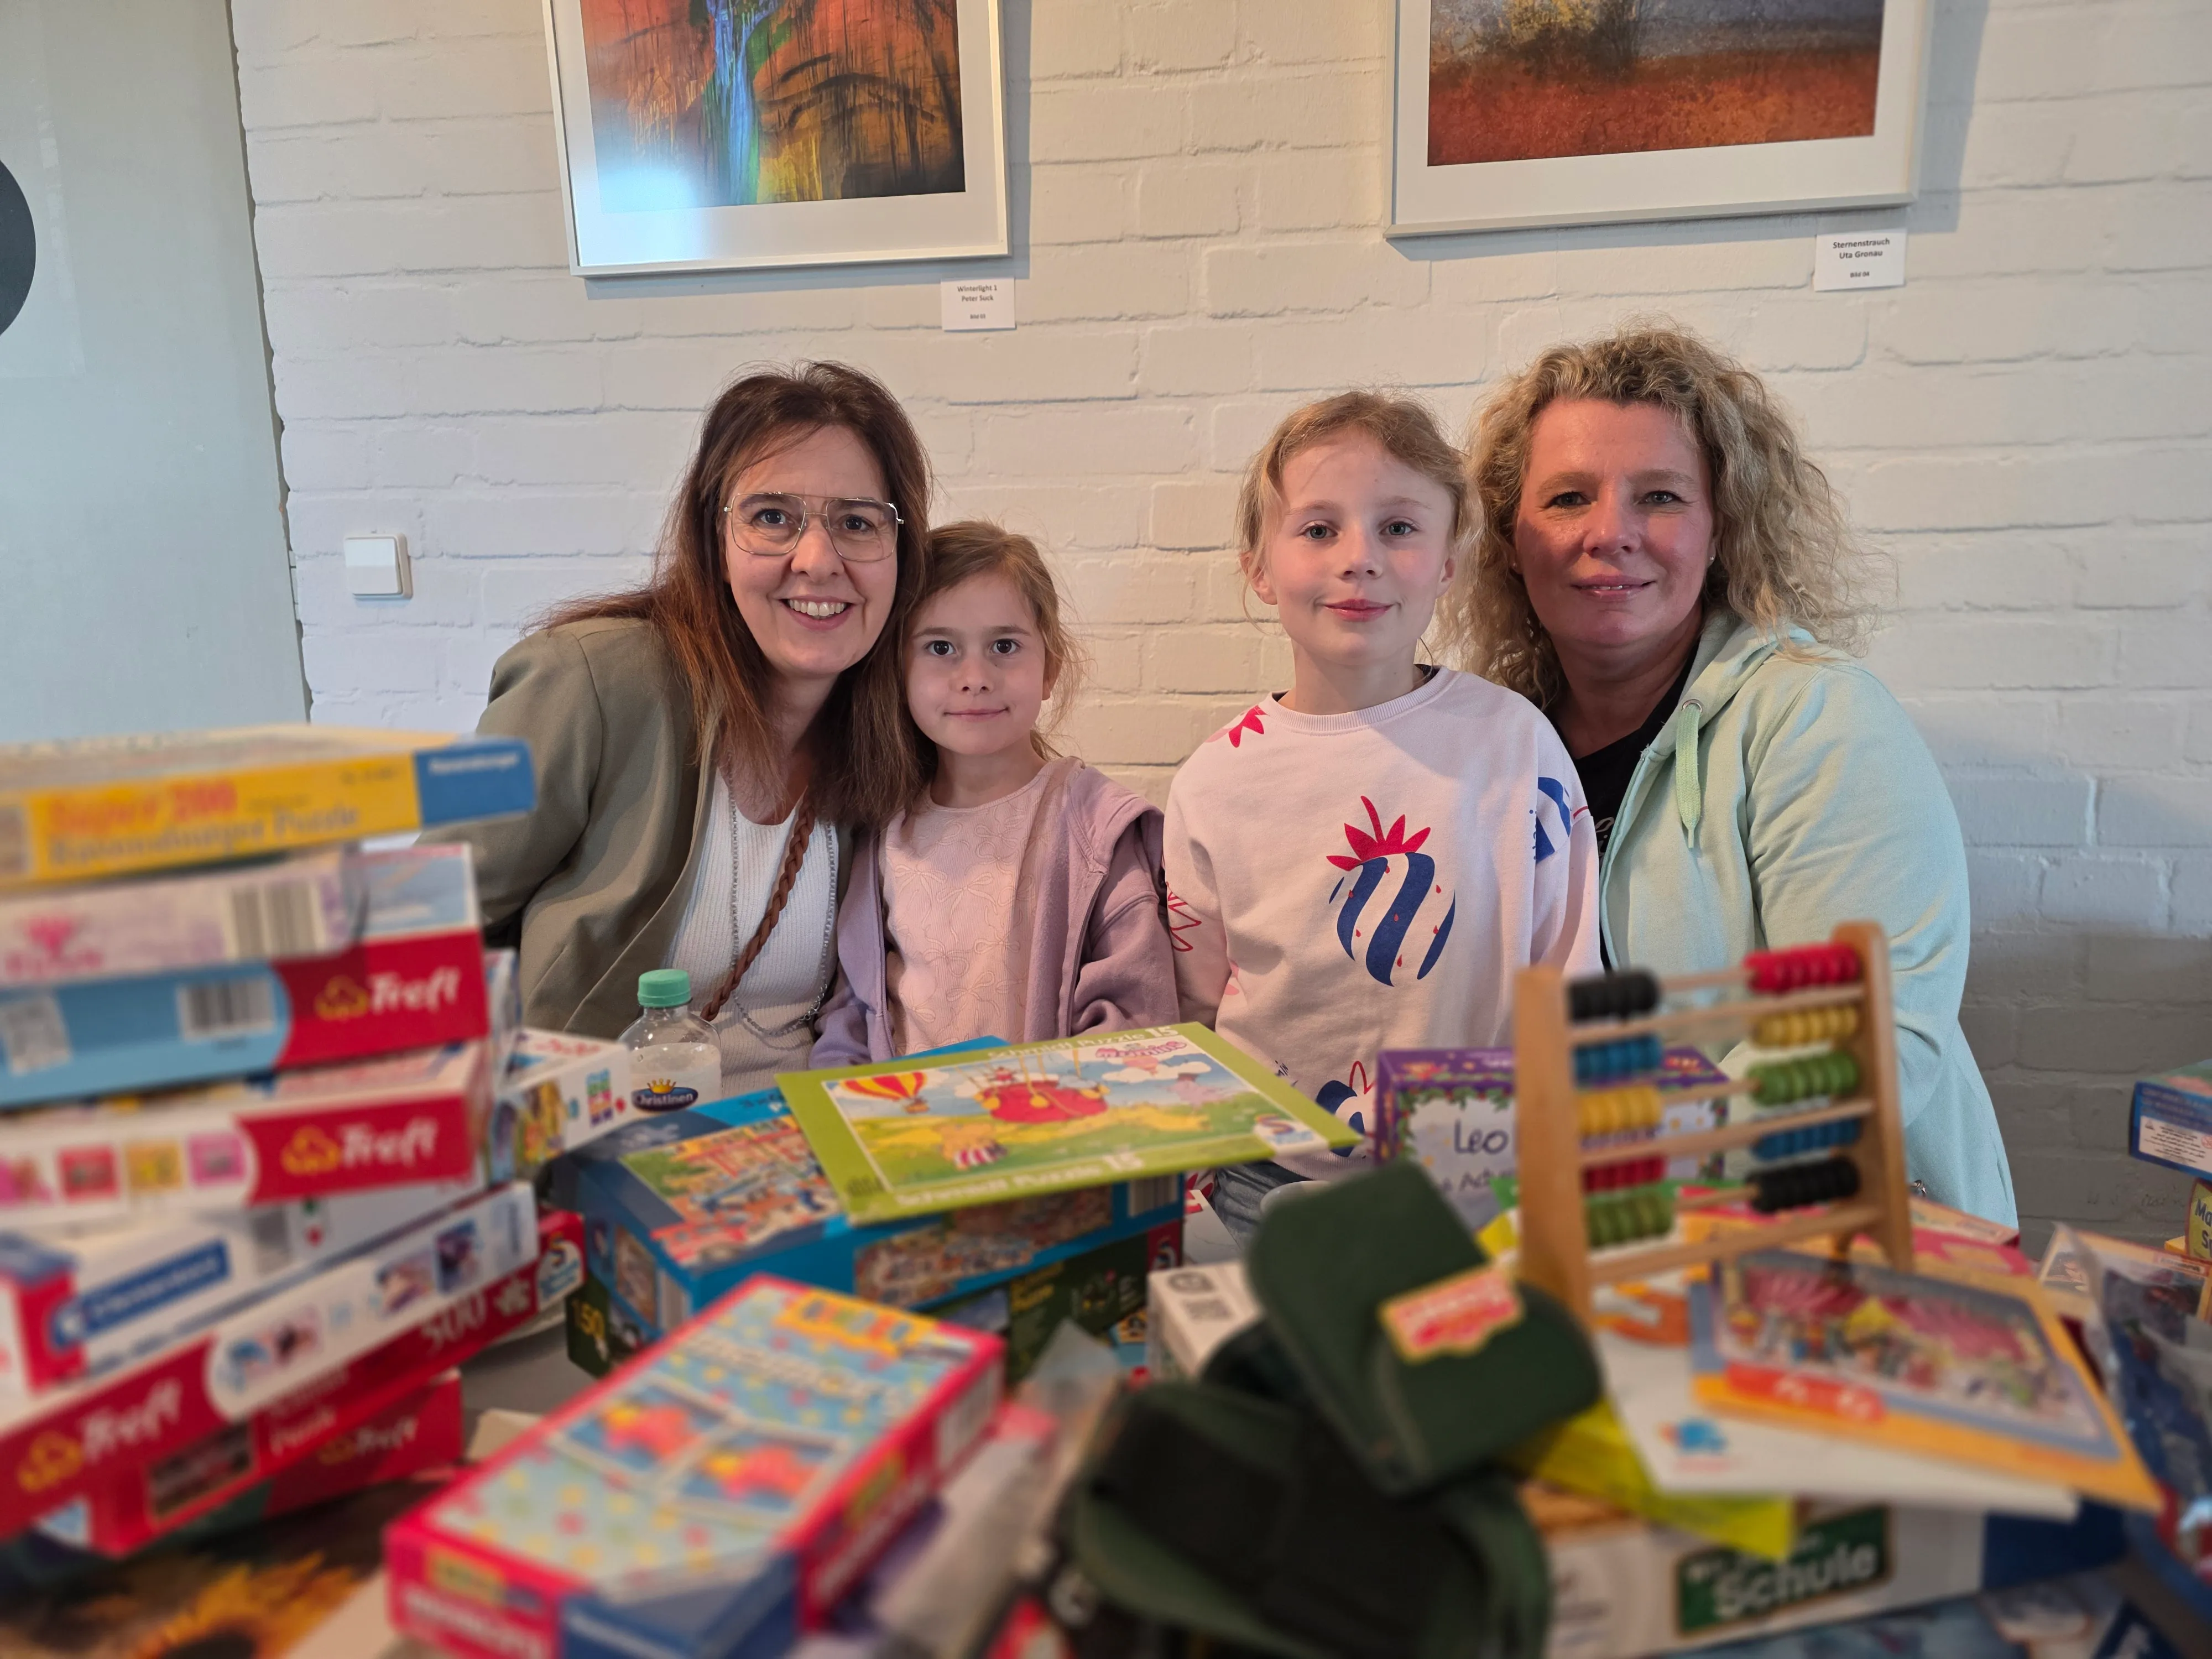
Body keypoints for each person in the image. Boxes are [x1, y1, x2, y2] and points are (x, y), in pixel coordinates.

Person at [1442, 324, 2016, 1225]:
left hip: (1824, 1249)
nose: (1610, 534)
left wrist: (1610, 1170)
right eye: (1567, 498)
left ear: (1721, 530)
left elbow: (1860, 1051)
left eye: (1660, 497)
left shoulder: (1818, 718)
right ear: (1511, 539)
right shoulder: (1496, 748)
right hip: (1586, 1241)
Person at [1166, 392, 1601, 1239]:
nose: (1359, 558)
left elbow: (1569, 965)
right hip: (1266, 1184)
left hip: (1483, 1185)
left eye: (1399, 528)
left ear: (1447, 563)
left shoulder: (1515, 742)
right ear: (1260, 565)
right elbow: (1196, 1007)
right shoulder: (1215, 781)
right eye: (1319, 529)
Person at [447, 362, 931, 1095]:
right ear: (716, 536)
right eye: (772, 517)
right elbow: (423, 926)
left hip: (823, 1157)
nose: (817, 560)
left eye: (857, 522)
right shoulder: (593, 683)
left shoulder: (902, 719)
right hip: (610, 1159)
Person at [813, 521, 1178, 1064]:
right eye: (941, 647)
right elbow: (855, 1011)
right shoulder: (883, 831)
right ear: (899, 671)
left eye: (1004, 646)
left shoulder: (1095, 828)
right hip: (908, 1135)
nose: (975, 676)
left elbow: (1135, 1016)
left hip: (1049, 1135)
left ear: (1050, 668)